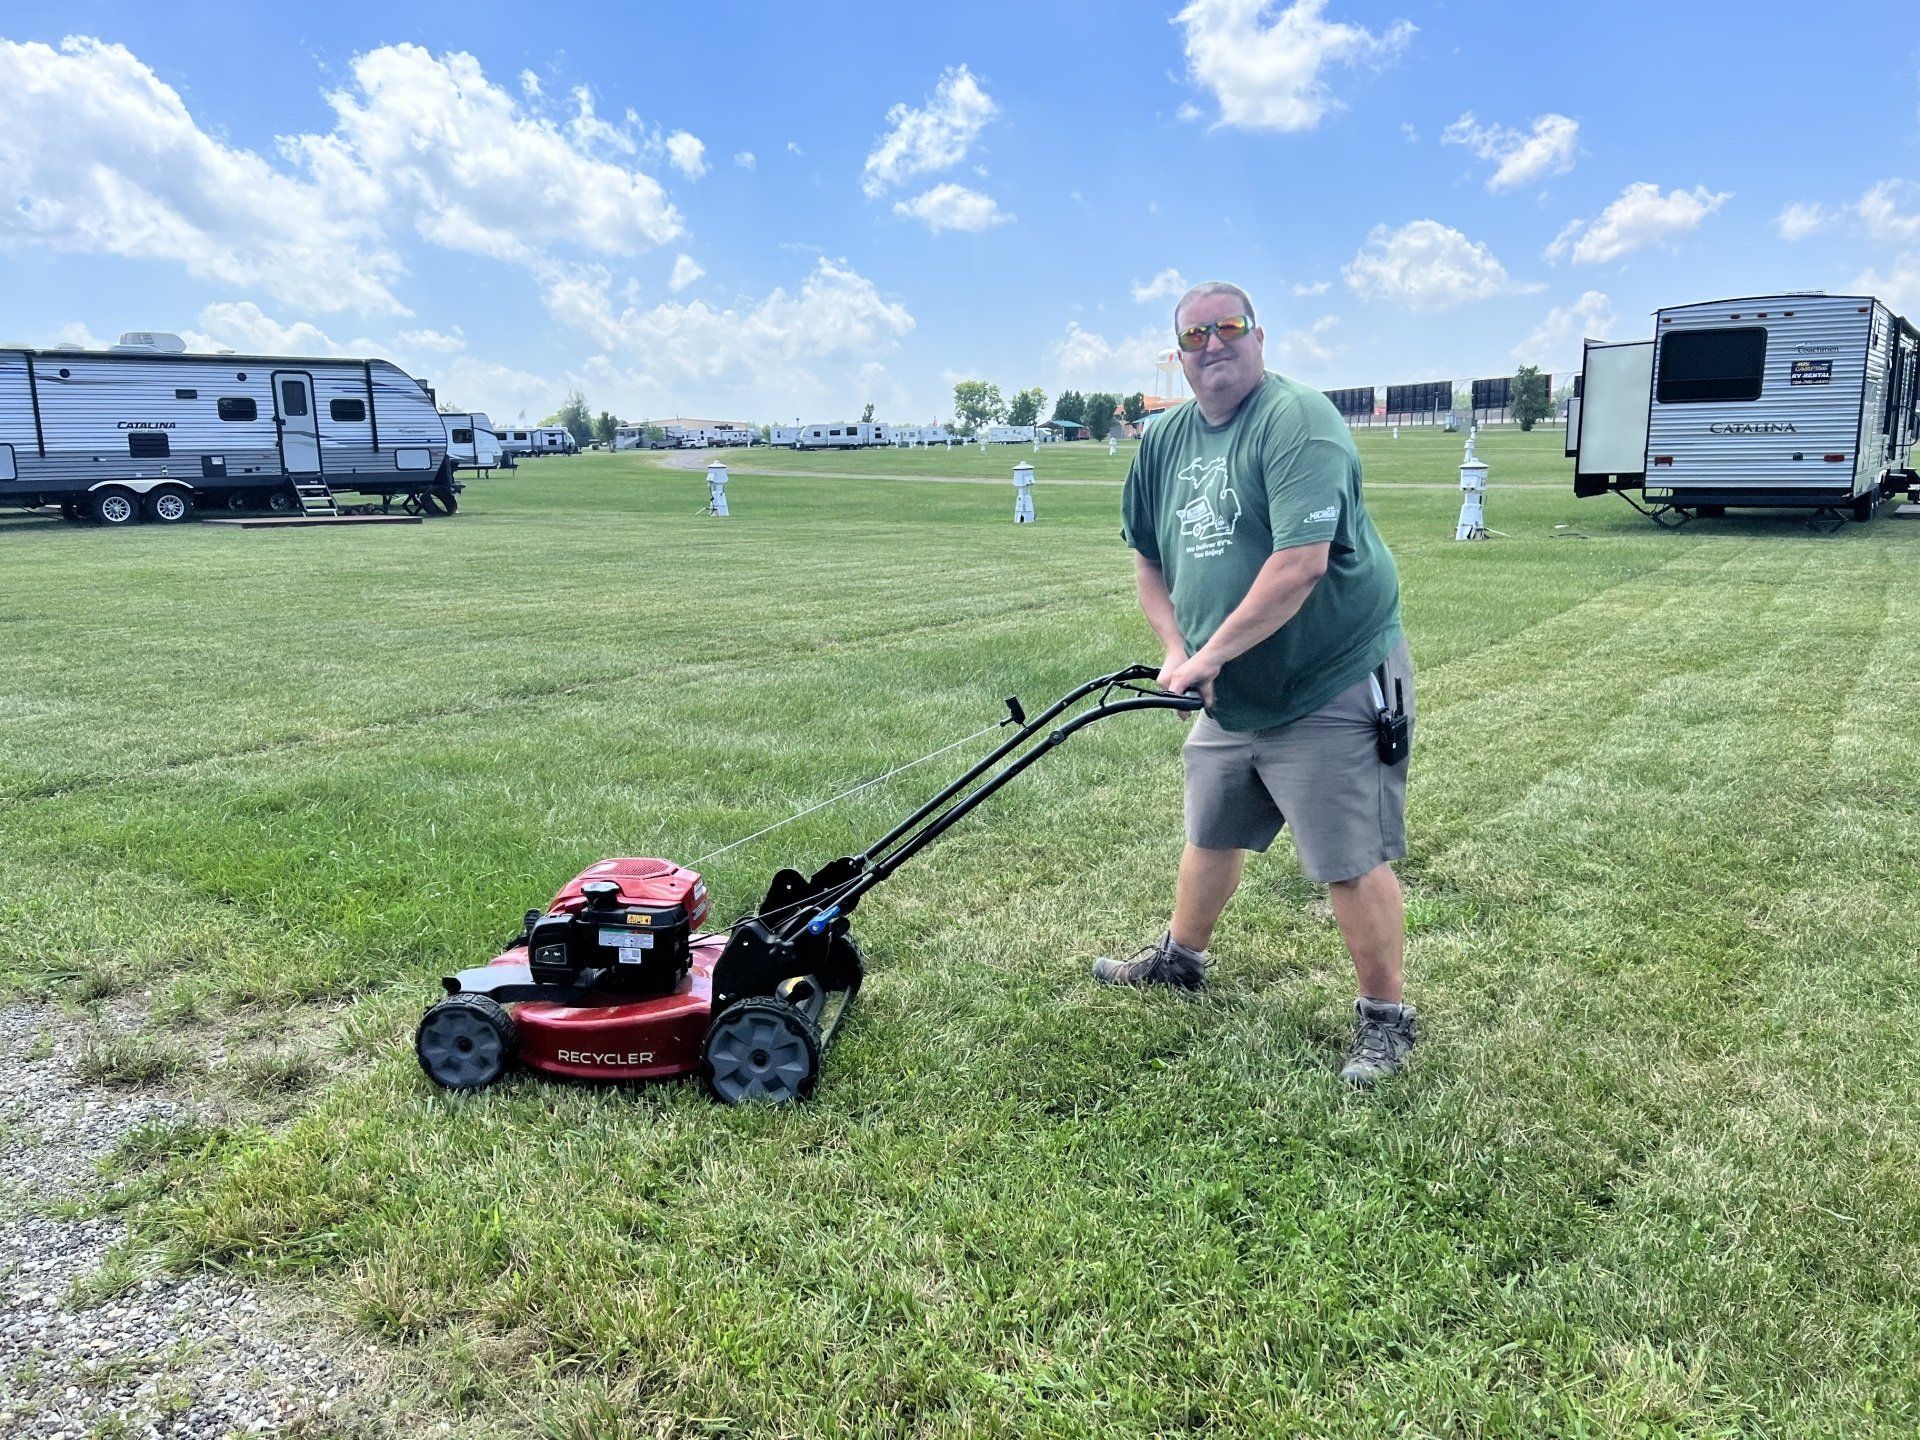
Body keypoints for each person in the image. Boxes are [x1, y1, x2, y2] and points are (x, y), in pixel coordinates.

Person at [1098, 281, 1418, 1088]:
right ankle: (1181, 961)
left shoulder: (1296, 420)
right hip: (1229, 683)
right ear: (1178, 355)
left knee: (1348, 854)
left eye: (1228, 328)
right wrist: (1178, 646)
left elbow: (1300, 565)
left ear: (1259, 335)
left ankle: (1387, 1020)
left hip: (1329, 673)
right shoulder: (1165, 441)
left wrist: (1206, 658)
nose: (1214, 345)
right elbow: (1147, 557)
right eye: (1195, 336)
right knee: (1213, 826)